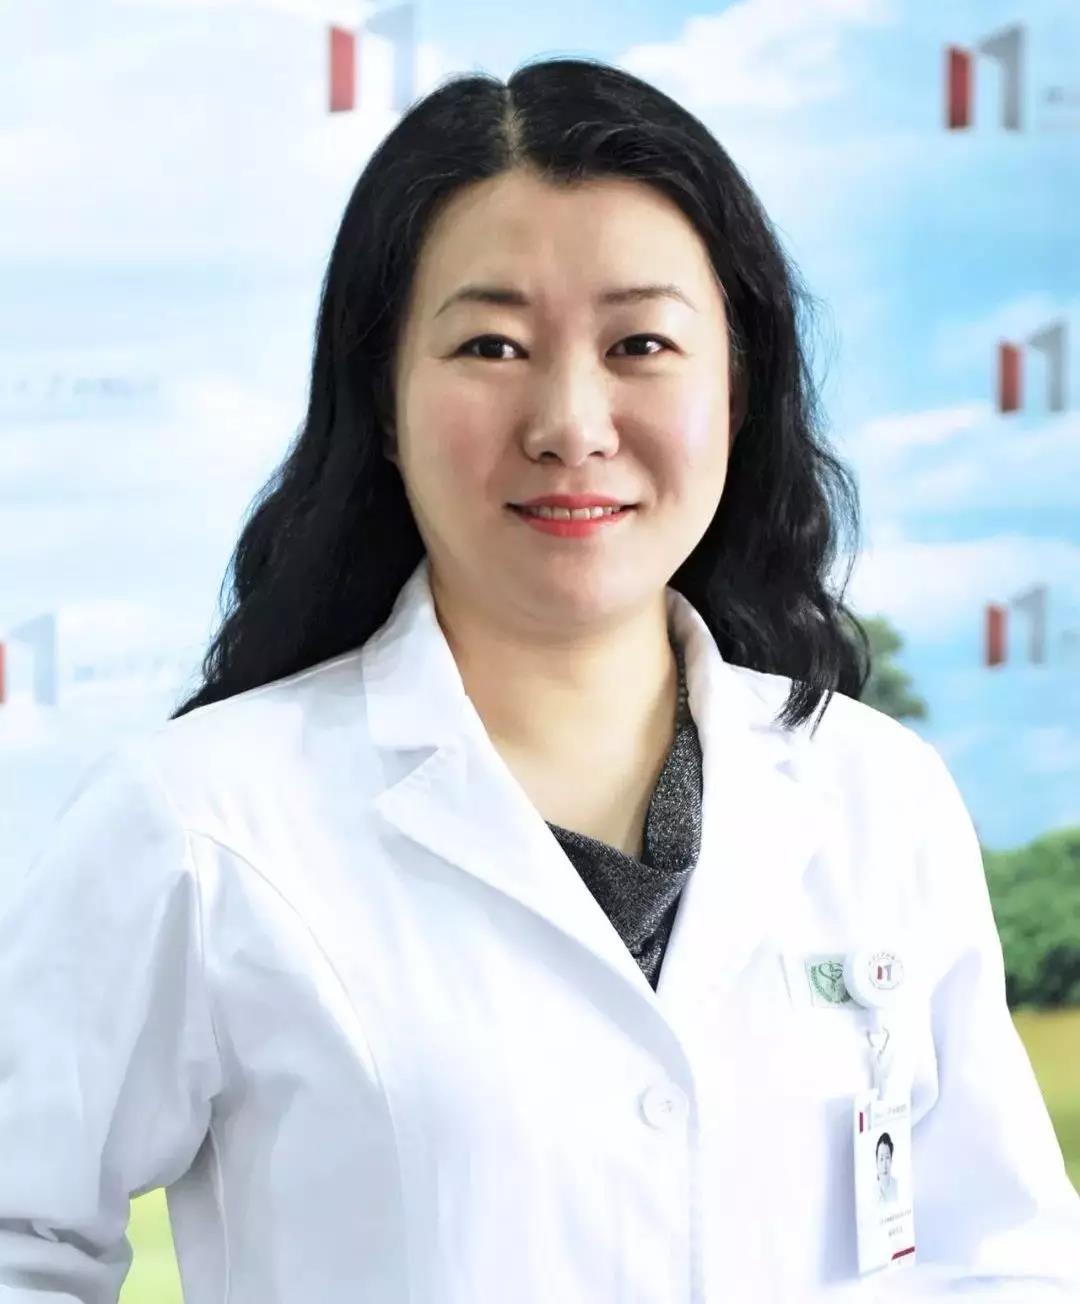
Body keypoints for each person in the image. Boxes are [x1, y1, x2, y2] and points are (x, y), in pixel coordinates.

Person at [1, 55, 1078, 1304]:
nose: (571, 420)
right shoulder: (196, 823)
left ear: (738, 387)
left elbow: (1005, 1259)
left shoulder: (880, 795)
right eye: (492, 343)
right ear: (384, 400)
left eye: (641, 342)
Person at [876, 1133, 900, 1204]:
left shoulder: (898, 1186)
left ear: (891, 1160)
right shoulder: (873, 1192)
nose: (884, 1165)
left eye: (887, 1157)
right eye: (881, 1159)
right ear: (877, 1162)